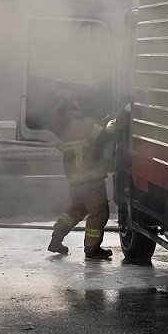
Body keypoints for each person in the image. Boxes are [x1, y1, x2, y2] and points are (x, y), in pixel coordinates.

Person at [48, 94, 119, 260]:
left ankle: (56, 239)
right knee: (99, 211)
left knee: (77, 209)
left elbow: (90, 143)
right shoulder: (83, 125)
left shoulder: (65, 130)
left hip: (76, 179)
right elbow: (104, 137)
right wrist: (113, 123)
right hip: (90, 178)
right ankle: (92, 249)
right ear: (72, 110)